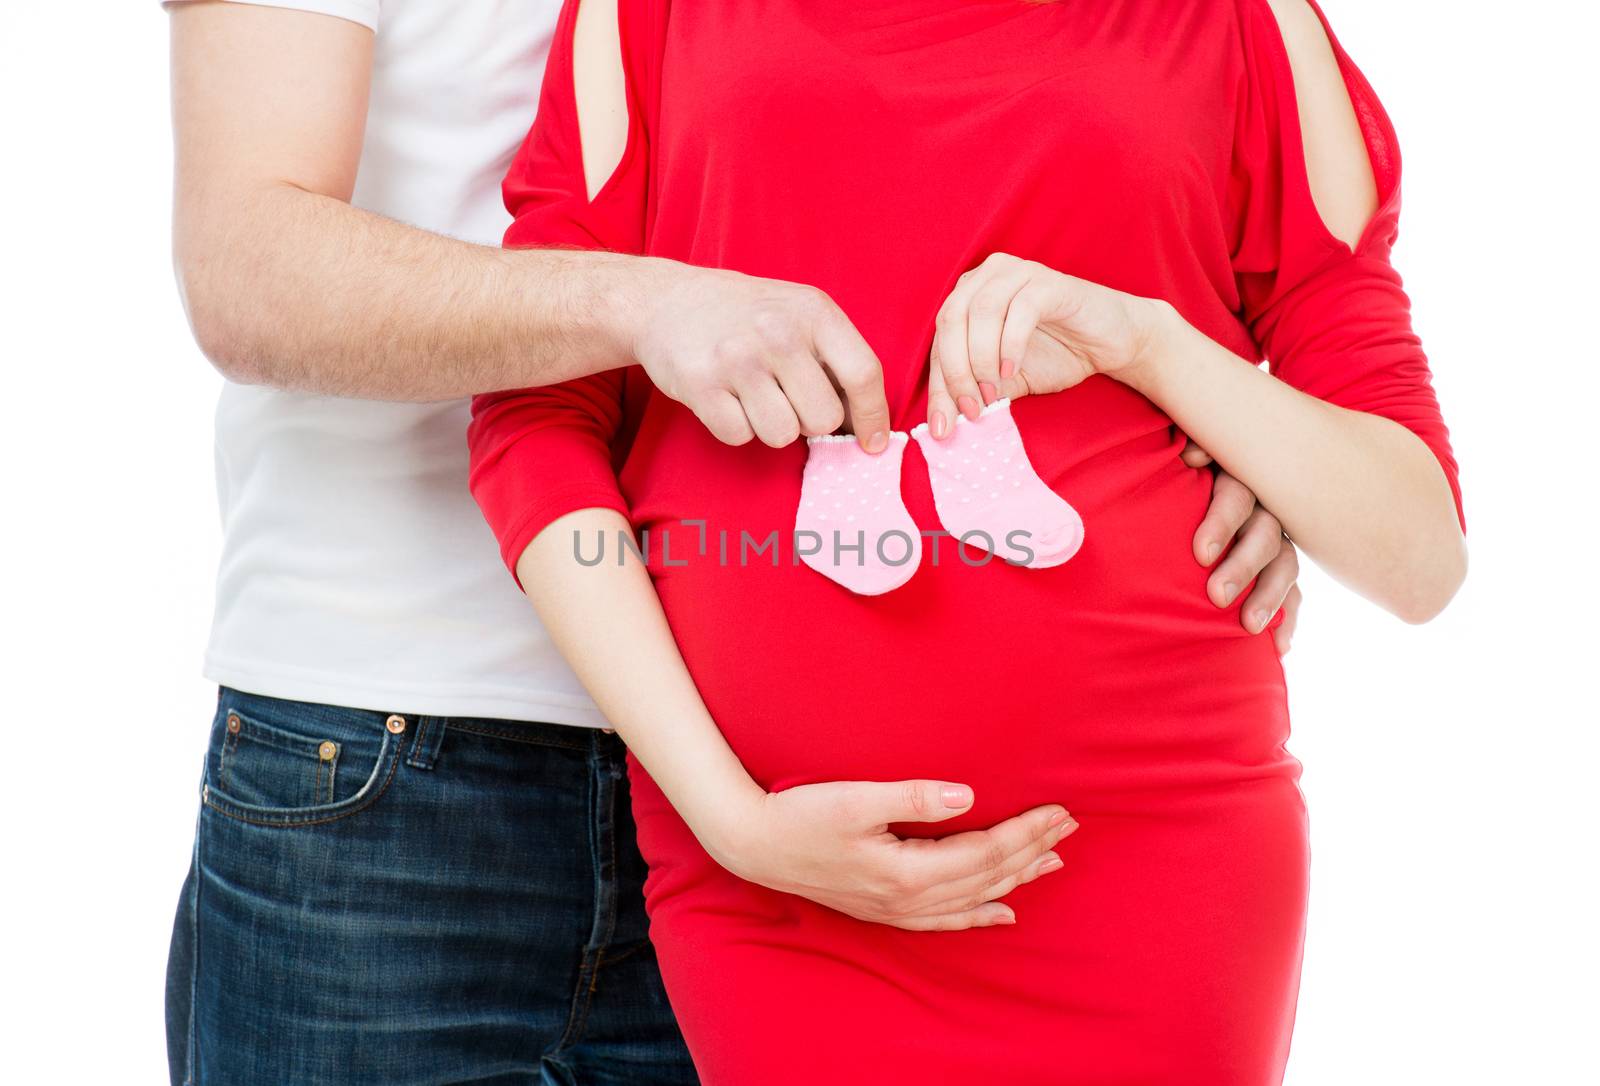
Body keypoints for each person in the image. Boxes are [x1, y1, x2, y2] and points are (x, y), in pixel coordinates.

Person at [163, 0, 1299, 1082]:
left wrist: (1226, 428)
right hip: (401, 750)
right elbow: (244, 271)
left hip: (822, 815)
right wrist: (641, 306)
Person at [467, 0, 1466, 1082]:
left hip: (1157, 853)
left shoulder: (1239, 23)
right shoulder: (645, 17)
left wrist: (1154, 345)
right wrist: (730, 819)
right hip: (781, 877)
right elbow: (535, 417)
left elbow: (1416, 556)